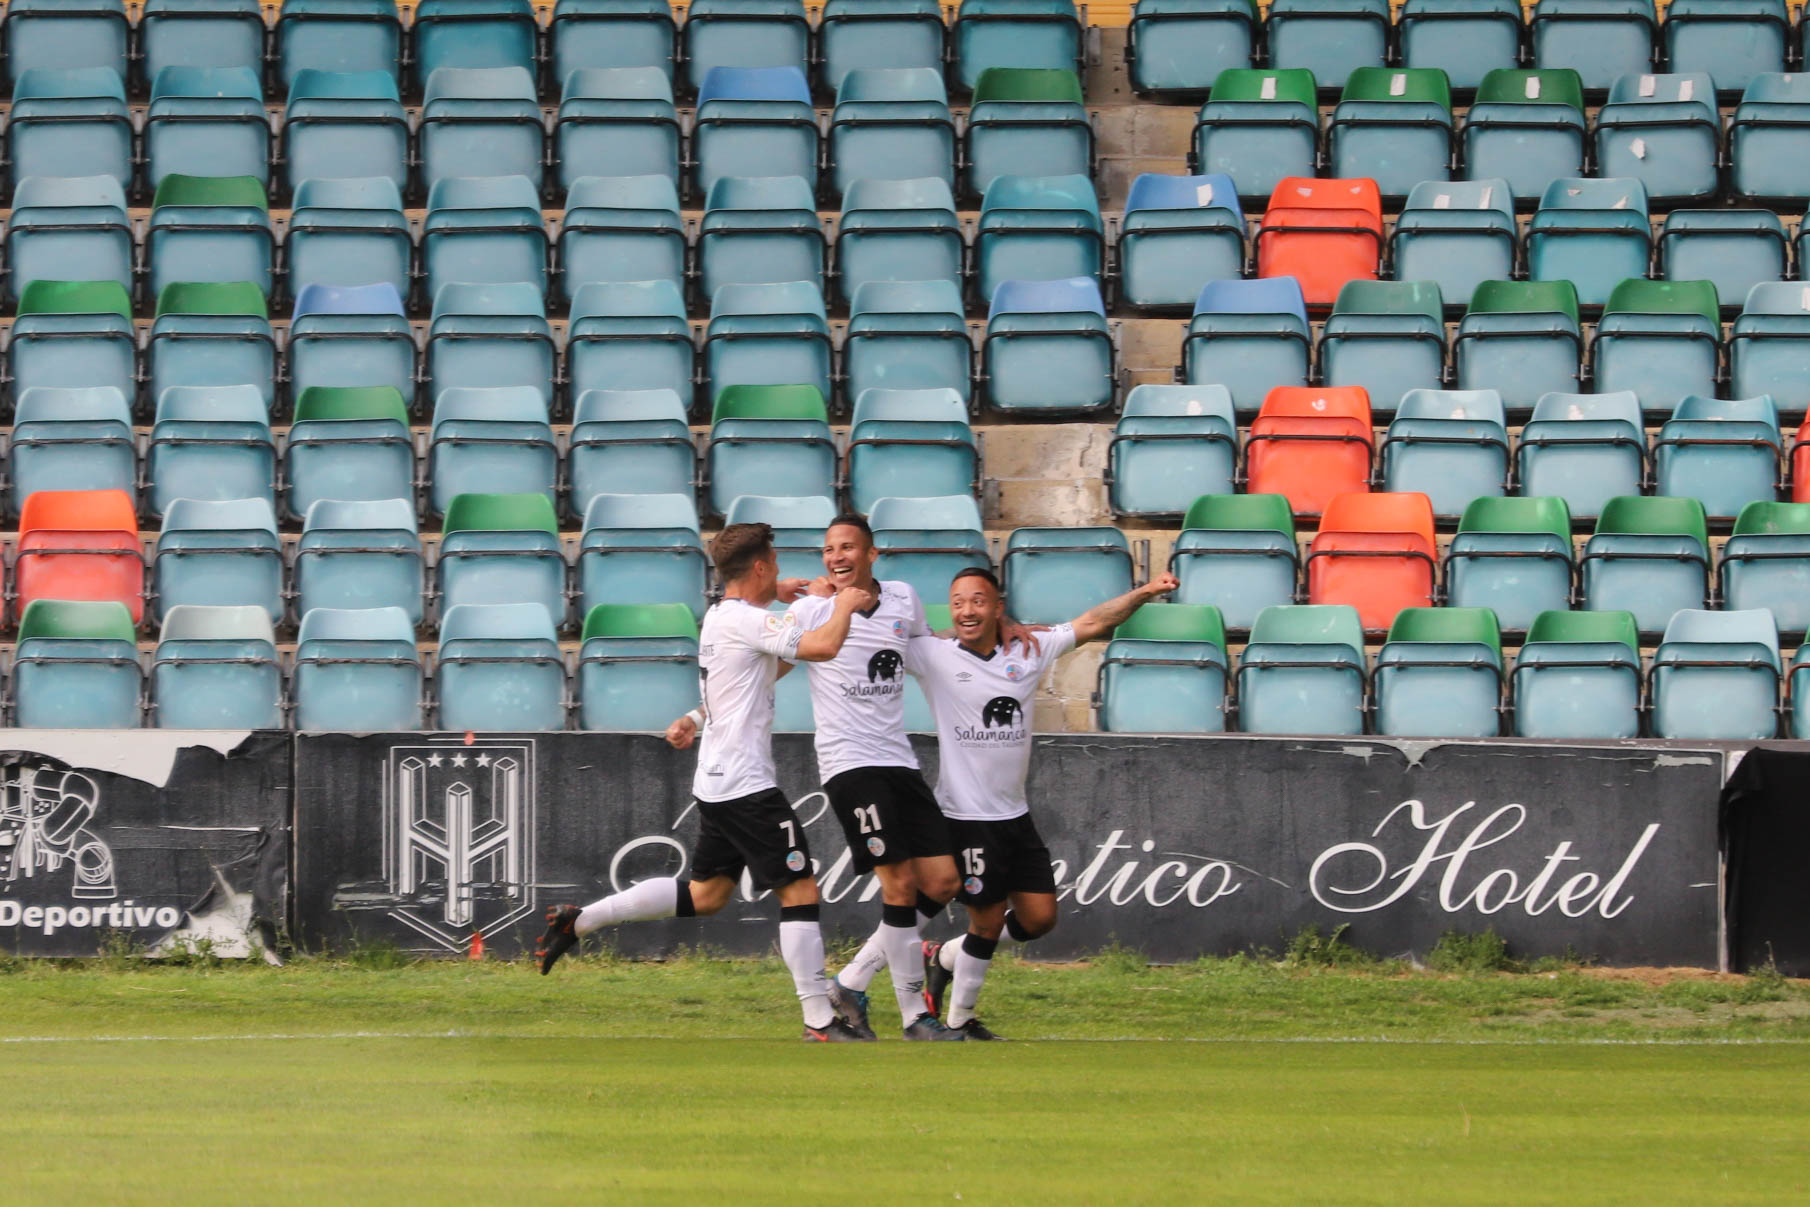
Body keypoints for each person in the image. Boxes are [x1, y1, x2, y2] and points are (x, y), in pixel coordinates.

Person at [535, 523, 878, 1042]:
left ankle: (578, 921)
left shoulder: (721, 616)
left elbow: (758, 673)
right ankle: (820, 1021)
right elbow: (822, 648)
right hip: (746, 784)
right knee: (801, 891)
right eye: (776, 566)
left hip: (717, 781)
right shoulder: (744, 621)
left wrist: (694, 717)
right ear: (760, 567)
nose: (783, 573)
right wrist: (847, 605)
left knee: (707, 894)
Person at [787, 516, 1031, 1042]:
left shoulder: (902, 599)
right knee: (898, 886)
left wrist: (996, 630)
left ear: (872, 553)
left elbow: (928, 648)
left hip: (898, 760)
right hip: (850, 763)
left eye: (847, 547)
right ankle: (914, 1017)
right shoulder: (811, 609)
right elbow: (773, 657)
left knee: (943, 882)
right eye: (828, 549)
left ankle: (850, 985)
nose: (836, 557)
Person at [910, 565, 1179, 1040]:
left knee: (1039, 918)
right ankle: (960, 1021)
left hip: (1015, 814)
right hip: (966, 816)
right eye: (957, 603)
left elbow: (1095, 622)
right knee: (988, 920)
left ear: (998, 607)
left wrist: (1147, 591)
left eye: (977, 601)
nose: (967, 610)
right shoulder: (934, 654)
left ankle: (946, 956)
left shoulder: (1026, 650)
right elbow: (882, 638)